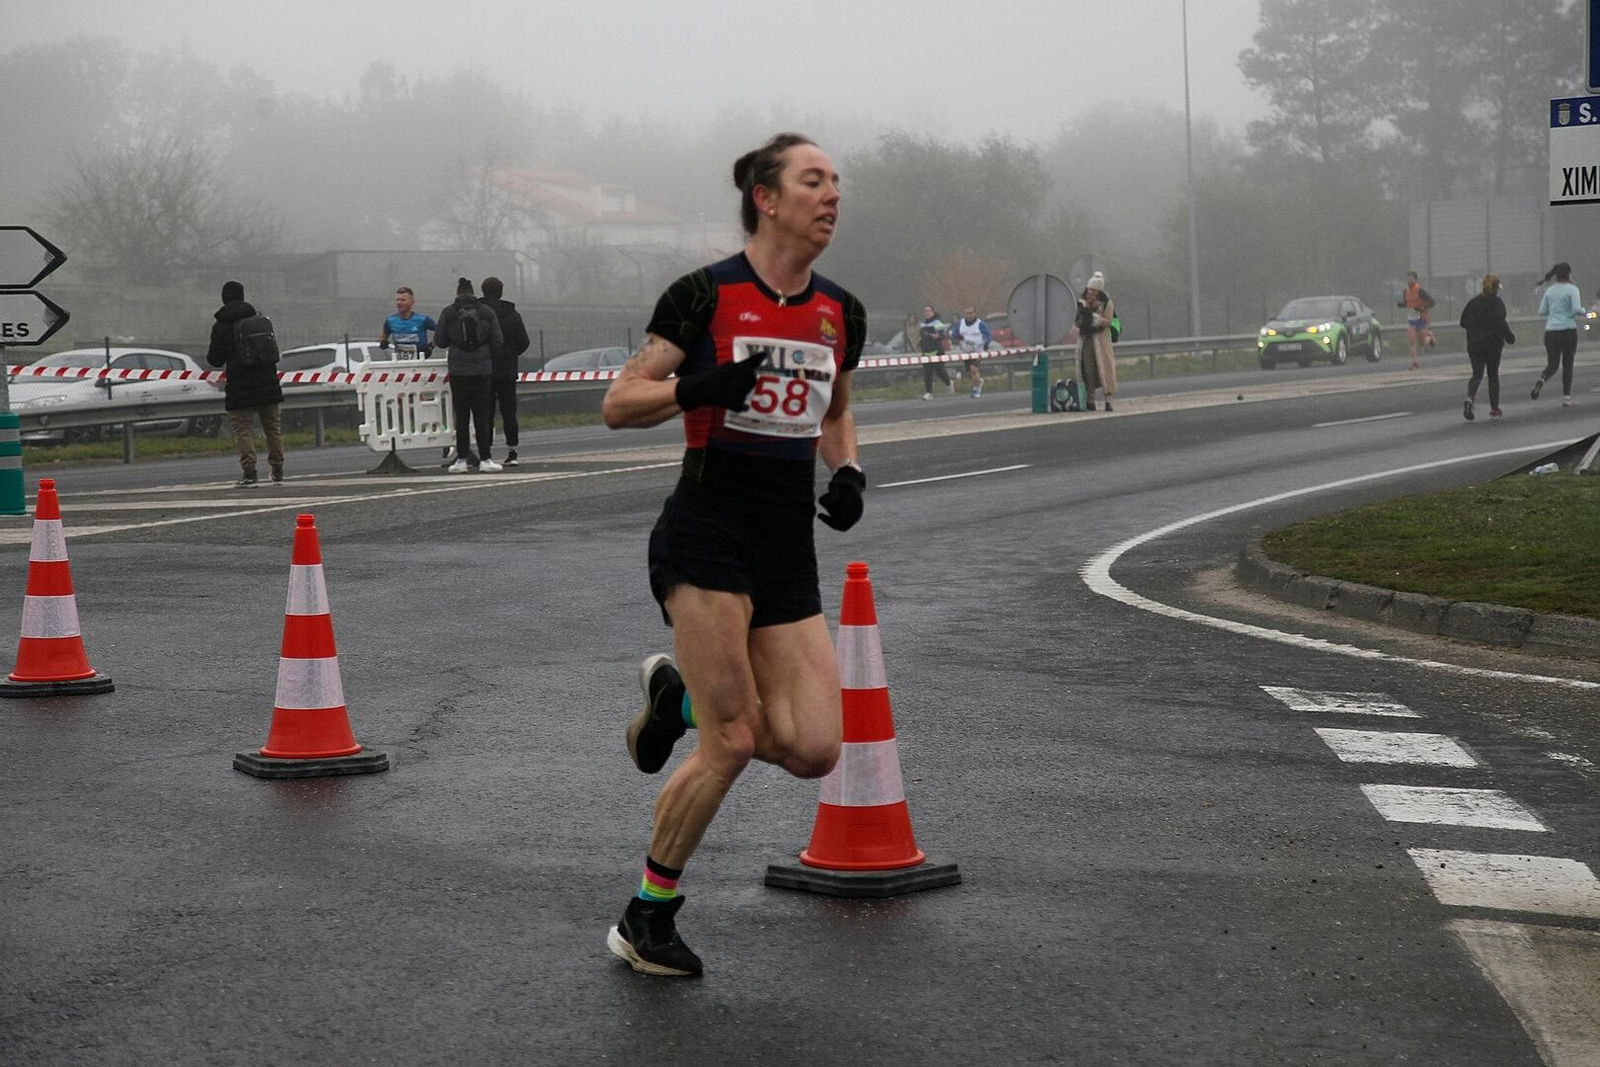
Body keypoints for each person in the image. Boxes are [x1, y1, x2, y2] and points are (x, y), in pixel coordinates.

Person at [599, 132, 866, 978]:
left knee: (814, 745)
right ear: (766, 198)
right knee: (736, 739)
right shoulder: (704, 295)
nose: (832, 195)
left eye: (836, 182)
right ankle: (647, 915)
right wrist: (696, 386)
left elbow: (835, 410)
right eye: (813, 181)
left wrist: (848, 470)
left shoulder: (840, 312)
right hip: (707, 531)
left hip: (786, 545)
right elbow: (619, 401)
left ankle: (674, 701)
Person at [205, 280, 285, 487]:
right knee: (272, 428)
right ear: (242, 296)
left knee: (243, 430)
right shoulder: (259, 320)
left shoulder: (221, 326)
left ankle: (249, 472)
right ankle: (277, 468)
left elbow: (214, 360)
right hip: (267, 382)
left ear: (224, 298)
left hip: (239, 386)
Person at [435, 277, 503, 473]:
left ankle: (461, 460)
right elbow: (498, 340)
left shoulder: (448, 312)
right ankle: (486, 459)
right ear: (474, 293)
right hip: (482, 371)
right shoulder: (486, 312)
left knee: (462, 416)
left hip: (458, 371)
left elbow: (440, 341)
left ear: (457, 293)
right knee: (482, 416)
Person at [480, 276, 531, 466]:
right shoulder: (513, 314)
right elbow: (524, 342)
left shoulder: (480, 313)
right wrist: (510, 354)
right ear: (501, 292)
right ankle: (512, 451)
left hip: (484, 368)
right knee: (509, 412)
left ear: (483, 291)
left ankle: (486, 453)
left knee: (486, 412)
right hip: (507, 370)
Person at [1458, 274, 1515, 421]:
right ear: (1496, 288)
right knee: (1493, 375)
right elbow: (1501, 322)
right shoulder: (1497, 303)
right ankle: (1494, 409)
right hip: (1493, 344)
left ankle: (1470, 398)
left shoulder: (1473, 303)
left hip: (1474, 344)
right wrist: (1509, 336)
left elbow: (1463, 322)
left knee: (1477, 373)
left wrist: (1475, 329)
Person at [1532, 262, 1584, 407]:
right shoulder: (1573, 289)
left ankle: (1542, 378)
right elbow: (1576, 309)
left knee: (1553, 365)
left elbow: (1542, 311)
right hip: (1568, 331)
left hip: (1551, 332)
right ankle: (1566, 398)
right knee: (1568, 364)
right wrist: (1584, 311)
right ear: (1568, 274)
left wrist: (1555, 312)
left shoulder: (1550, 290)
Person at [1076, 272, 1117, 411]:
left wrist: (1096, 320)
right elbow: (1077, 321)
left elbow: (1109, 321)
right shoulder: (1081, 303)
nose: (1091, 294)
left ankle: (1108, 400)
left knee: (1105, 369)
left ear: (1099, 292)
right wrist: (1083, 319)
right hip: (1086, 340)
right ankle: (1090, 400)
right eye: (1089, 290)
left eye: (1094, 291)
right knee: (1088, 370)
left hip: (1101, 341)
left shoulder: (1107, 303)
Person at [379, 286, 437, 360]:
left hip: (420, 362)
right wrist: (383, 342)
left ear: (412, 302)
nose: (399, 302)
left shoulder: (423, 319)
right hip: (400, 362)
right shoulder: (390, 320)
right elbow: (384, 335)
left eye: (403, 300)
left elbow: (440, 331)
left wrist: (431, 346)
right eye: (397, 300)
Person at [950, 304, 992, 398]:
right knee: (970, 373)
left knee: (974, 370)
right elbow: (953, 334)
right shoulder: (960, 324)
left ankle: (977, 390)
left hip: (977, 351)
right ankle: (979, 381)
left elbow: (988, 334)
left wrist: (987, 343)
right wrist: (957, 337)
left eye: (971, 313)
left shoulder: (980, 324)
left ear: (975, 313)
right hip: (966, 352)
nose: (969, 315)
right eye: (967, 313)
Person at [1397, 271, 1436, 370]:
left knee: (1422, 343)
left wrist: (1423, 308)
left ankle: (1430, 336)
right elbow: (1407, 303)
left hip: (1422, 318)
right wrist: (1402, 304)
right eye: (1408, 279)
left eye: (1411, 279)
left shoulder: (1420, 291)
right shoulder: (1405, 291)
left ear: (1416, 279)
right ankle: (1415, 362)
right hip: (1412, 318)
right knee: (1411, 341)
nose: (1409, 281)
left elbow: (1432, 302)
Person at [917, 305, 953, 400]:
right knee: (927, 373)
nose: (927, 313)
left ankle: (949, 383)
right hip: (926, 352)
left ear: (933, 312)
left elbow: (942, 336)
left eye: (929, 311)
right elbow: (921, 336)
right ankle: (929, 393)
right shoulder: (922, 325)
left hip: (937, 351)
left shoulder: (938, 323)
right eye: (925, 311)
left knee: (940, 371)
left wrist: (933, 336)